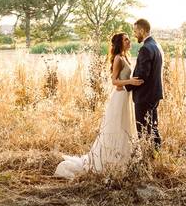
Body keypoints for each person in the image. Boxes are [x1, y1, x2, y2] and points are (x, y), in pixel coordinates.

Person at [54, 32, 143, 179]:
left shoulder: (126, 56)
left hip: (126, 97)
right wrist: (130, 82)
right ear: (120, 43)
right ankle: (106, 161)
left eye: (128, 39)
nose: (129, 41)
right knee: (115, 128)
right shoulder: (118, 59)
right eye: (126, 40)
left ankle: (122, 161)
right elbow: (114, 81)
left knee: (125, 128)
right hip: (119, 97)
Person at [126, 18, 164, 151]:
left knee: (143, 129)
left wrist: (127, 86)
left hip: (145, 95)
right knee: (152, 126)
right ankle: (156, 154)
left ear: (142, 30)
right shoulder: (156, 46)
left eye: (136, 31)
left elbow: (142, 75)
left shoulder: (146, 48)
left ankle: (148, 157)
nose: (135, 34)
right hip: (154, 94)